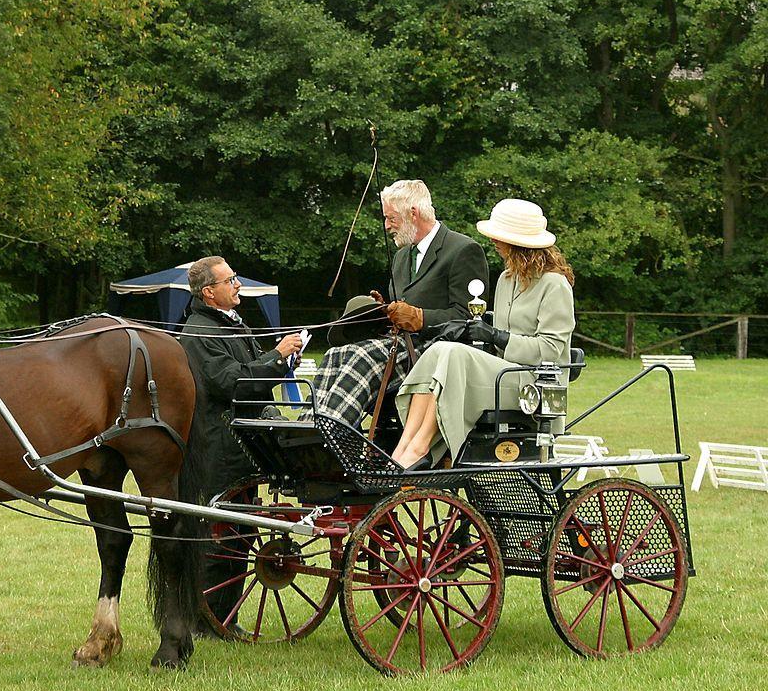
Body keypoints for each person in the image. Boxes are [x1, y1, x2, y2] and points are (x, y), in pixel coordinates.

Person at [391, 198, 575, 468]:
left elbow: (550, 350)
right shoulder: (506, 279)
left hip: (534, 386)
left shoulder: (554, 285)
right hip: (503, 375)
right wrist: (472, 332)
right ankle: (405, 447)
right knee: (440, 348)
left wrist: (497, 336)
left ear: (516, 242)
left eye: (498, 237)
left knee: (453, 354)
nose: (493, 242)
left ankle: (421, 447)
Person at [178, 256, 303, 633]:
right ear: (208, 293)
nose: (237, 285)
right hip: (219, 446)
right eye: (229, 280)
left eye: (235, 278)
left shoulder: (228, 323)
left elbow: (252, 383)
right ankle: (207, 619)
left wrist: (278, 363)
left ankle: (222, 617)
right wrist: (277, 356)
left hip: (243, 446)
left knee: (241, 535)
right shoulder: (199, 332)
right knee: (222, 537)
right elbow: (234, 384)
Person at [313, 179, 489, 427]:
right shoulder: (401, 257)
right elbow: (403, 305)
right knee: (336, 354)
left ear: (413, 213)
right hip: (398, 345)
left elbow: (468, 318)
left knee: (361, 357)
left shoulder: (463, 250)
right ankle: (306, 430)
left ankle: (331, 433)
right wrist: (383, 310)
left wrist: (418, 317)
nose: (387, 226)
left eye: (391, 218)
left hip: (437, 351)